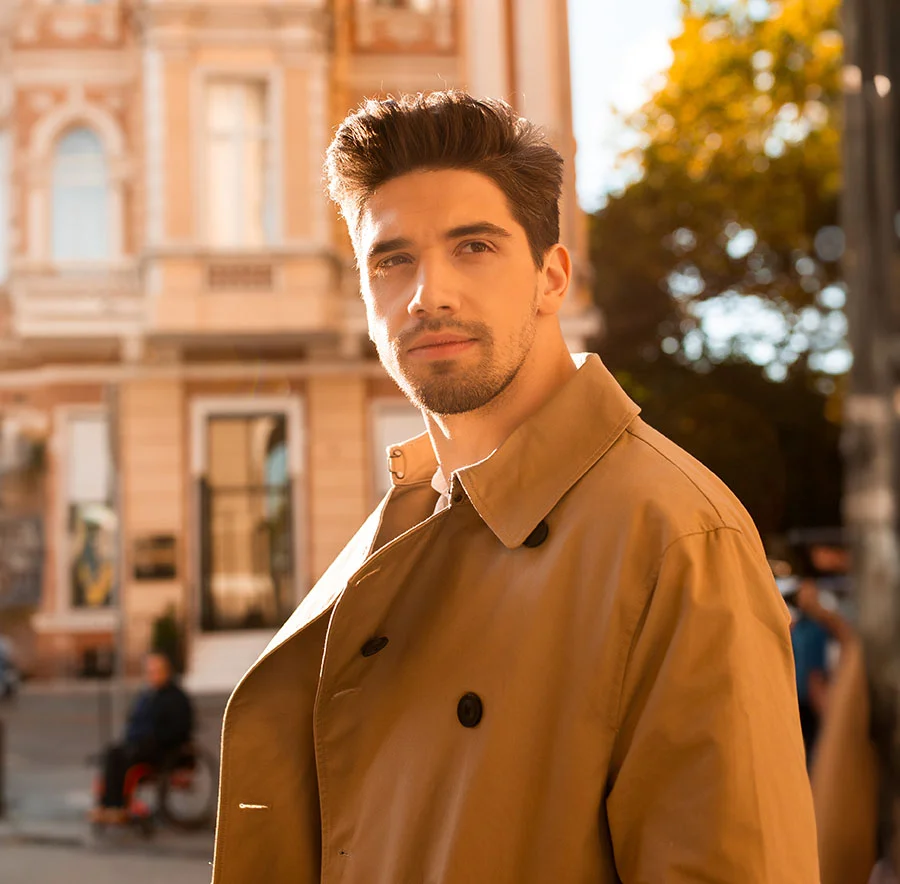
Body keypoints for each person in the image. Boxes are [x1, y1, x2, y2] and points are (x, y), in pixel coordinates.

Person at [211, 91, 819, 882]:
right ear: (365, 298)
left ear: (551, 276)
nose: (428, 293)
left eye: (474, 247)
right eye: (391, 260)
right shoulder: (400, 523)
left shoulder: (673, 538)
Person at [90, 651, 193, 824]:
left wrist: (152, 737)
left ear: (166, 672)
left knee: (122, 756)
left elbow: (179, 729)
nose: (152, 675)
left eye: (156, 671)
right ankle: (110, 805)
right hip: (140, 744)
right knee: (113, 753)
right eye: (149, 671)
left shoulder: (176, 697)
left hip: (163, 749)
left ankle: (117, 806)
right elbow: (134, 722)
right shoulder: (147, 696)